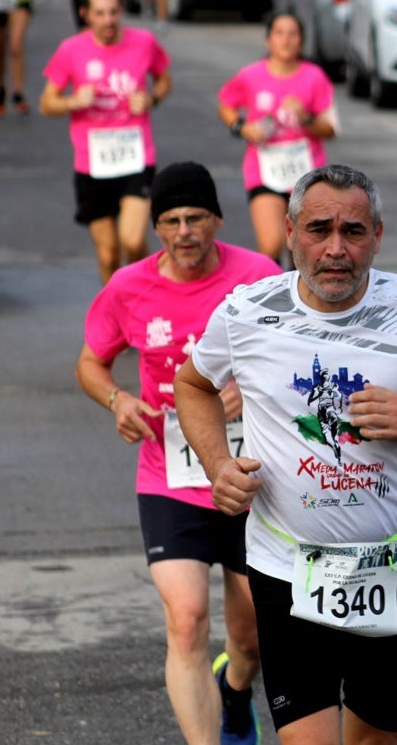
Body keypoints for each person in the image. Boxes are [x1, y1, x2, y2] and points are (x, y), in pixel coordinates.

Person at [173, 163, 397, 745]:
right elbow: (193, 385)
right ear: (289, 233)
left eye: (354, 232)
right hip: (285, 563)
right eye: (319, 229)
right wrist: (217, 466)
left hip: (393, 564)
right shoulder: (248, 312)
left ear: (377, 236)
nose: (336, 249)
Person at [75, 162, 280, 745]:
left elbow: (298, 352)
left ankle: (236, 691)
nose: (184, 231)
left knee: (251, 638)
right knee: (186, 620)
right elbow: (90, 363)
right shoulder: (129, 287)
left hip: (246, 480)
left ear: (217, 218)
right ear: (156, 226)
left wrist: (257, 386)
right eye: (170, 220)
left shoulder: (259, 277)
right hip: (168, 477)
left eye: (195, 218)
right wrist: (116, 399)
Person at [39, 0, 171, 283]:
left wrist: (152, 98)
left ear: (121, 10)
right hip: (92, 163)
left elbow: (164, 79)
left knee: (133, 241)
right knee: (109, 253)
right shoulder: (71, 50)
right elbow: (47, 103)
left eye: (113, 12)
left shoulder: (144, 42)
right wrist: (73, 100)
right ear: (86, 14)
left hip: (136, 157)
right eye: (100, 13)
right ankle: (114, 318)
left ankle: (143, 295)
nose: (108, 20)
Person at [217, 12, 338, 265]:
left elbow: (330, 129)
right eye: (279, 33)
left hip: (306, 174)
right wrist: (242, 127)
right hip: (264, 170)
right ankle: (273, 301)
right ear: (268, 40)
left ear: (301, 41)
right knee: (271, 244)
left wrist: (306, 119)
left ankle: (303, 302)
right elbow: (225, 103)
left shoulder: (314, 77)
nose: (286, 40)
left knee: (303, 252)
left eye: (293, 34)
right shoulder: (251, 75)